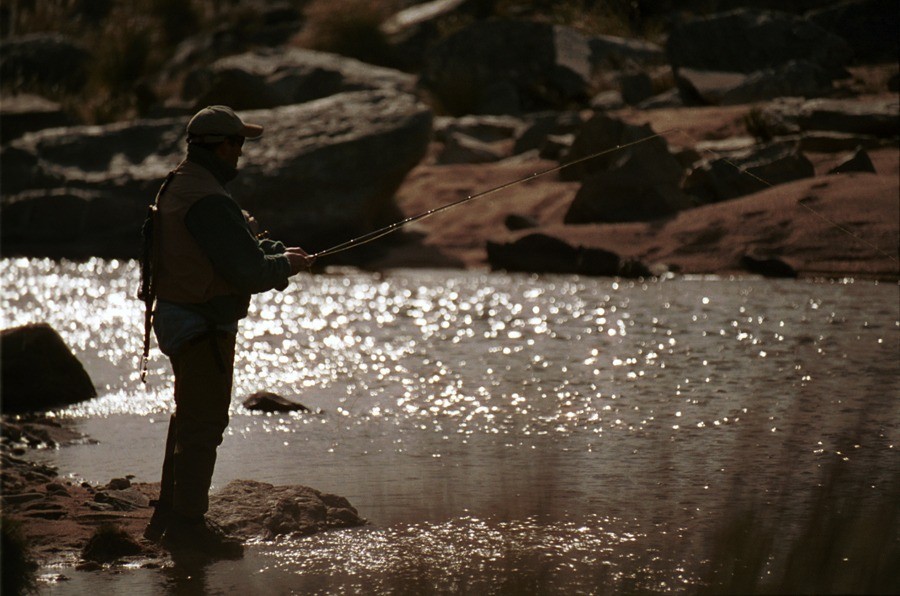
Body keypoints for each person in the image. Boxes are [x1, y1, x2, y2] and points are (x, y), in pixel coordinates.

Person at [141, 105, 314, 558]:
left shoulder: (181, 183)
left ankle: (167, 517)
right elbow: (246, 272)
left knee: (189, 418)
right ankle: (187, 527)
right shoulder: (209, 199)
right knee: (204, 424)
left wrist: (272, 252)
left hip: (181, 316)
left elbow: (226, 250)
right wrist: (285, 265)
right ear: (221, 147)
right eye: (237, 144)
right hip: (200, 324)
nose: (240, 153)